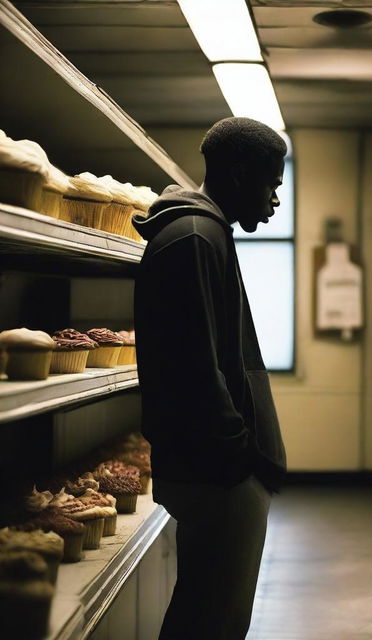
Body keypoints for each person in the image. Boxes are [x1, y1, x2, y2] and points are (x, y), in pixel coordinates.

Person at [132, 117, 288, 639]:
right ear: (241, 174)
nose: (275, 201)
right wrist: (239, 455)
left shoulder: (201, 232)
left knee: (210, 611)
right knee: (211, 620)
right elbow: (194, 368)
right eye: (272, 184)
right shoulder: (195, 236)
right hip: (215, 472)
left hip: (215, 467)